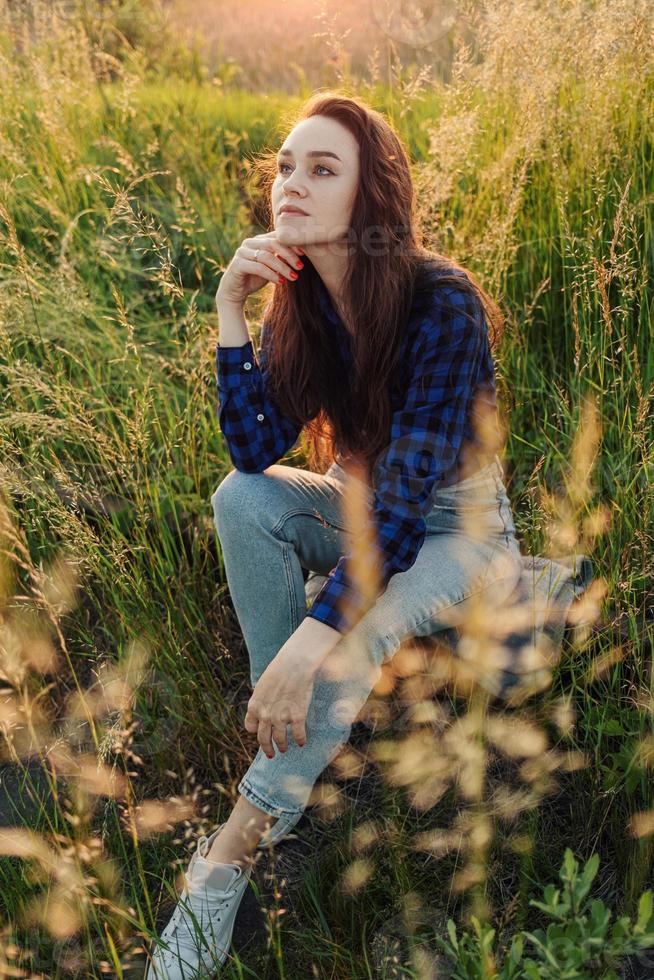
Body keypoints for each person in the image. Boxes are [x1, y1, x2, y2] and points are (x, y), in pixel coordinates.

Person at [145, 91, 527, 980]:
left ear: (370, 196)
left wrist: (319, 634)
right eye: (286, 165)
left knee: (362, 626)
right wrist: (230, 310)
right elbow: (252, 451)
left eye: (323, 169)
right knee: (242, 501)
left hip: (458, 530)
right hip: (363, 510)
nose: (293, 184)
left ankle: (227, 860)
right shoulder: (303, 299)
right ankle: (287, 739)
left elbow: (401, 515)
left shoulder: (442, 302)